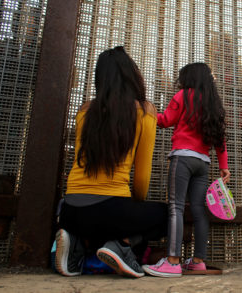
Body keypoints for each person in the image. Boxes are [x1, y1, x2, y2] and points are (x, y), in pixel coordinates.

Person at [55, 46, 167, 278]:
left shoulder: (85, 110)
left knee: (98, 223)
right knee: (167, 215)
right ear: (131, 75)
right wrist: (132, 216)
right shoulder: (145, 111)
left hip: (70, 211)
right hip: (111, 211)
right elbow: (142, 176)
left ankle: (73, 241)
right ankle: (121, 245)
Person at [142, 63, 231, 278]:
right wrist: (224, 166)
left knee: (176, 207)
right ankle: (198, 261)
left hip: (182, 157)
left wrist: (149, 112)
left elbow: (165, 120)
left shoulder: (183, 96)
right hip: (203, 163)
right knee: (200, 211)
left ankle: (172, 261)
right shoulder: (213, 103)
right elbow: (220, 139)